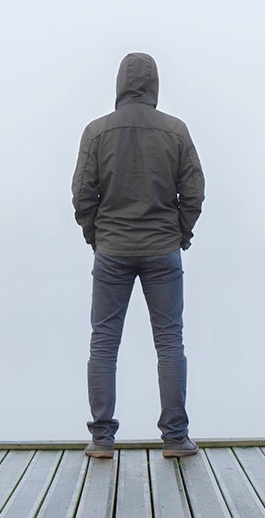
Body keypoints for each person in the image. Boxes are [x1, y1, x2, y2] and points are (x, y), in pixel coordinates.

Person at [71, 52, 206, 459]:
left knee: (104, 343)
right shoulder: (175, 131)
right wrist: (179, 232)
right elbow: (194, 191)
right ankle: (175, 438)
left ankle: (101, 439)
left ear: (119, 83)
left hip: (112, 249)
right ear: (154, 85)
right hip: (162, 249)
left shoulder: (96, 132)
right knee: (169, 342)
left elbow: (82, 194)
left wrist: (97, 235)